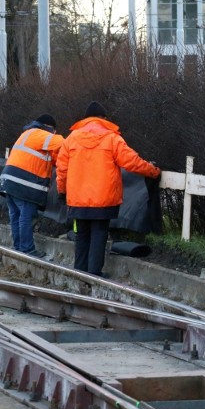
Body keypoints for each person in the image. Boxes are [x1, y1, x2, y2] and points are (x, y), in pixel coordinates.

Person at [56, 101, 160, 277]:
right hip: (103, 199)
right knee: (99, 234)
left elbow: (62, 169)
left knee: (81, 234)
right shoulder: (112, 138)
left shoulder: (71, 139)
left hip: (77, 200)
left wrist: (62, 191)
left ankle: (79, 273)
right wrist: (153, 171)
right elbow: (131, 162)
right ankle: (94, 274)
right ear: (103, 118)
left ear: (86, 119)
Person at [0, 114, 64, 258]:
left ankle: (18, 248)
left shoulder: (27, 134)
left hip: (8, 180)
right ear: (49, 128)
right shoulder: (42, 134)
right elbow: (63, 143)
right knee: (26, 216)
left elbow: (50, 158)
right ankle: (27, 250)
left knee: (15, 215)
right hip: (24, 183)